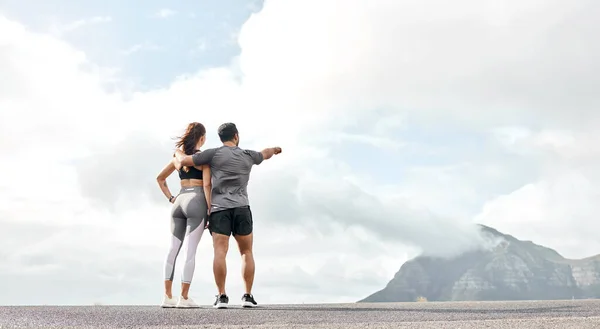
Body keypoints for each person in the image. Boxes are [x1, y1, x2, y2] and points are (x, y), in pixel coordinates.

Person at [172, 122, 281, 309]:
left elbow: (184, 161)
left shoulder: (213, 154)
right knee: (246, 252)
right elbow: (265, 153)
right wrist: (275, 149)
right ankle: (247, 296)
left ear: (221, 138)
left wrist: (177, 153)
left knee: (220, 252)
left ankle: (222, 297)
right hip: (242, 208)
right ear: (236, 136)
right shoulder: (248, 155)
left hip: (219, 209)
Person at [156, 122, 211, 308]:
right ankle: (184, 297)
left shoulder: (178, 158)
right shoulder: (202, 157)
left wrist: (171, 198)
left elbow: (160, 178)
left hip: (179, 200)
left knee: (172, 249)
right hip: (197, 199)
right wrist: (210, 209)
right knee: (190, 251)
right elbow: (206, 185)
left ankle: (167, 296)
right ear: (202, 138)